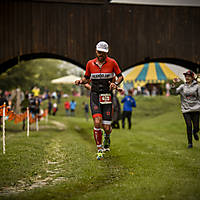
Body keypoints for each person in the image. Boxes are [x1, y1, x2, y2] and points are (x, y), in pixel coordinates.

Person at [75, 41, 124, 160]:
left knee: (107, 128)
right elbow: (87, 79)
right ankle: (99, 149)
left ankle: (107, 137)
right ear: (96, 51)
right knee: (97, 121)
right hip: (95, 95)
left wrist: (115, 83)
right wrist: (81, 81)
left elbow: (120, 76)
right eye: (99, 52)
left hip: (107, 95)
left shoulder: (112, 62)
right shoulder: (90, 64)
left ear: (107, 52)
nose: (100, 54)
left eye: (103, 52)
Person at [171, 70, 200, 148]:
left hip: (196, 109)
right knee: (189, 126)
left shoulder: (197, 86)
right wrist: (173, 84)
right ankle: (190, 143)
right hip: (185, 109)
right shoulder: (182, 86)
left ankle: (195, 132)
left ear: (192, 78)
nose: (187, 77)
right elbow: (174, 93)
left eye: (188, 76)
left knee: (196, 127)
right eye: (186, 76)